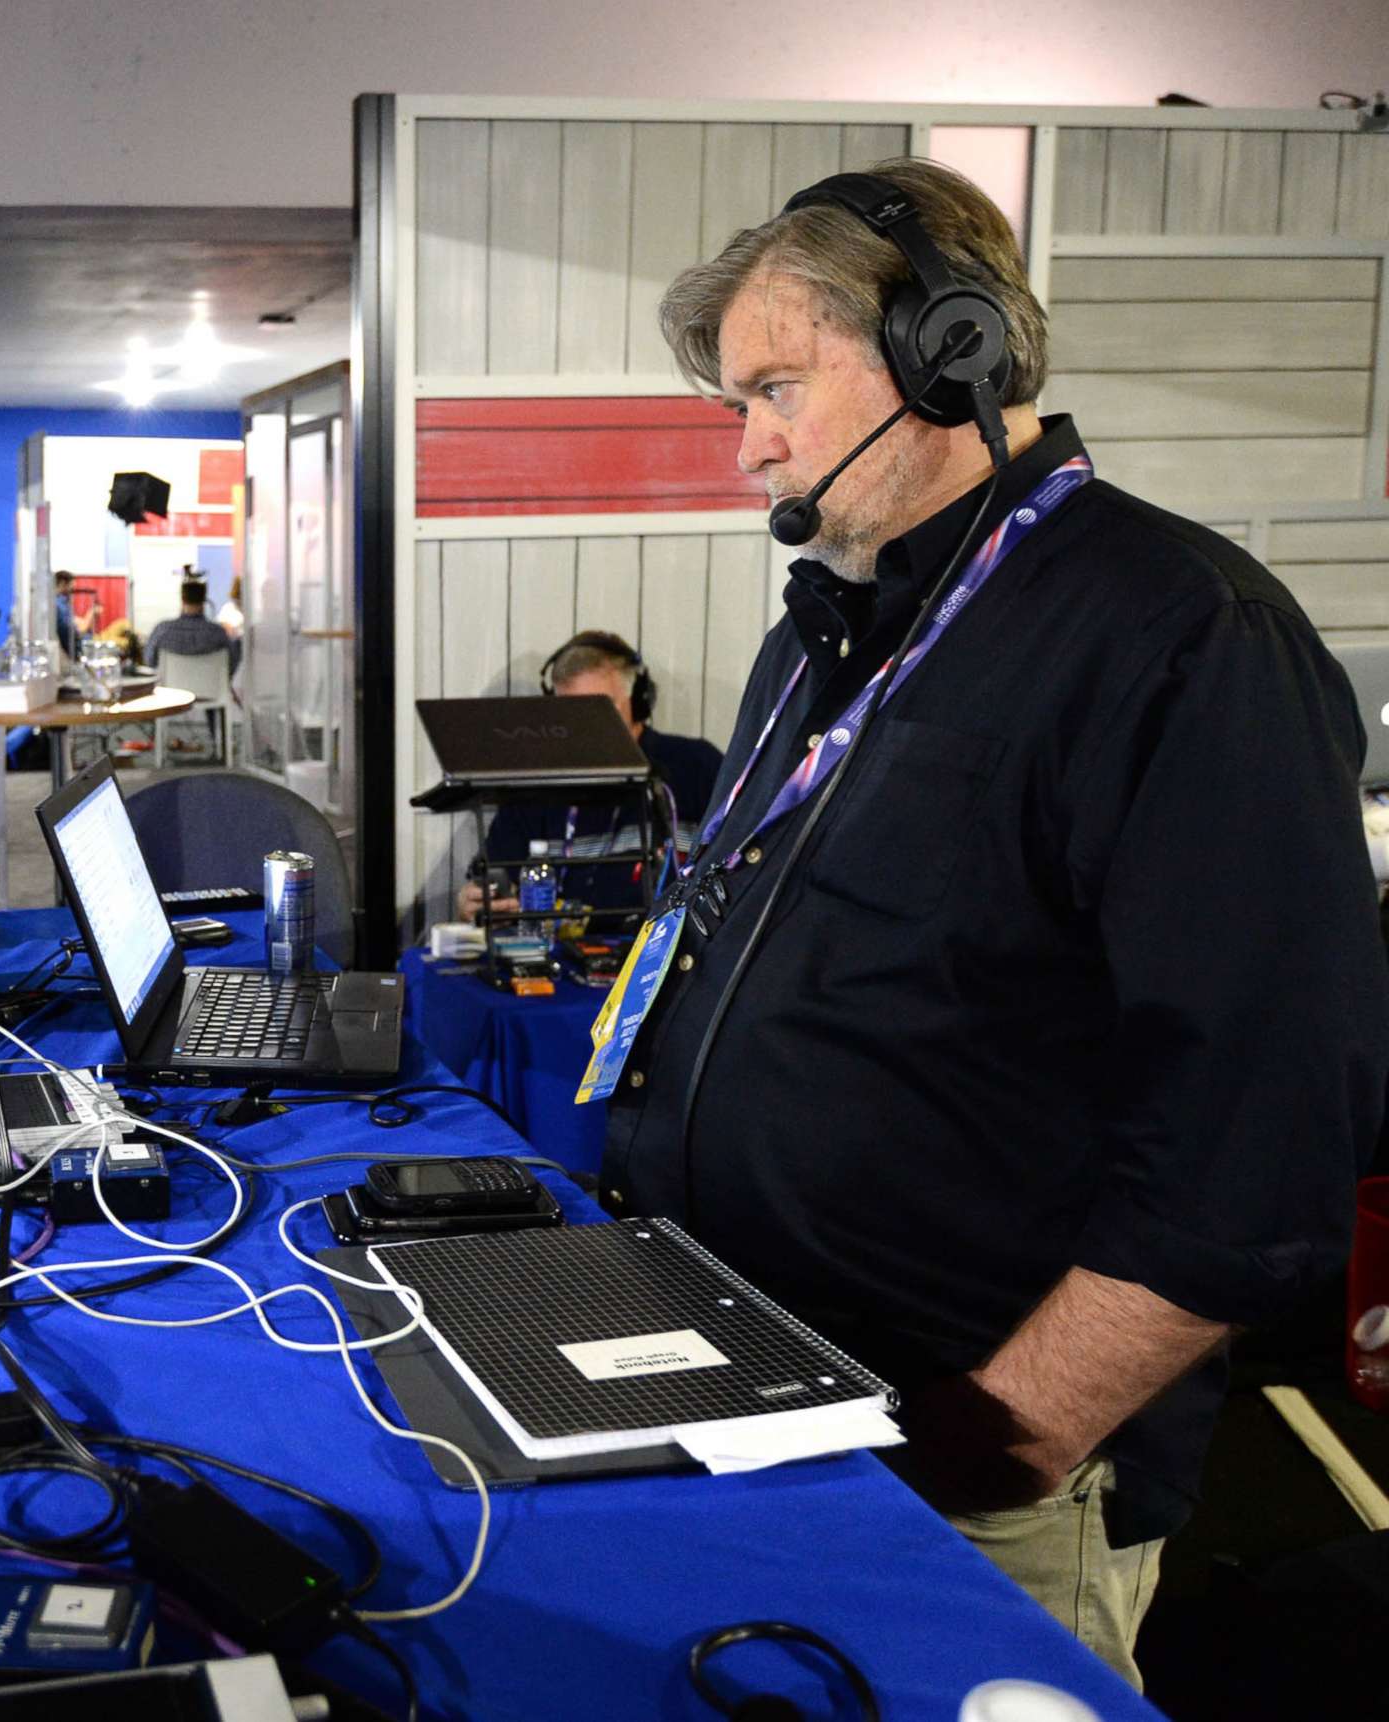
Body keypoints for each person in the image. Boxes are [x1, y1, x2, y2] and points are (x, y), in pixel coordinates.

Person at [607, 157, 1387, 1684]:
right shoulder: (827, 628)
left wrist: (1002, 1441)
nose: (749, 451)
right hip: (763, 1393)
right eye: (734, 408)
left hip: (965, 1470)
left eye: (774, 390)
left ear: (945, 354)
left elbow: (1260, 1144)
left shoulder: (1183, 639)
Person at [460, 631, 723, 916]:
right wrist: (476, 902)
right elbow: (492, 883)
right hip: (562, 953)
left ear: (638, 700)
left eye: (600, 708)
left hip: (667, 954)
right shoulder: (536, 785)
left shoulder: (696, 765)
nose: (586, 727)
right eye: (571, 713)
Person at [144, 577, 238, 678]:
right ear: (204, 600)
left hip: (172, 692)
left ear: (183, 599)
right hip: (211, 692)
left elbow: (149, 661)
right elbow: (231, 666)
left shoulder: (162, 630)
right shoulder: (219, 633)